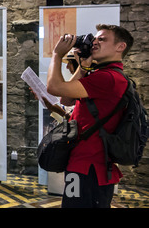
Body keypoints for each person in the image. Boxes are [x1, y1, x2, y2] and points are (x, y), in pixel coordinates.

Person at [47, 24, 134, 208]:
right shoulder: (104, 74)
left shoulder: (109, 78)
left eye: (102, 39)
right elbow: (66, 99)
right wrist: (84, 67)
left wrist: (57, 55)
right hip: (83, 164)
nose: (94, 42)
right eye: (95, 39)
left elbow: (54, 87)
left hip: (90, 168)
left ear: (120, 47)